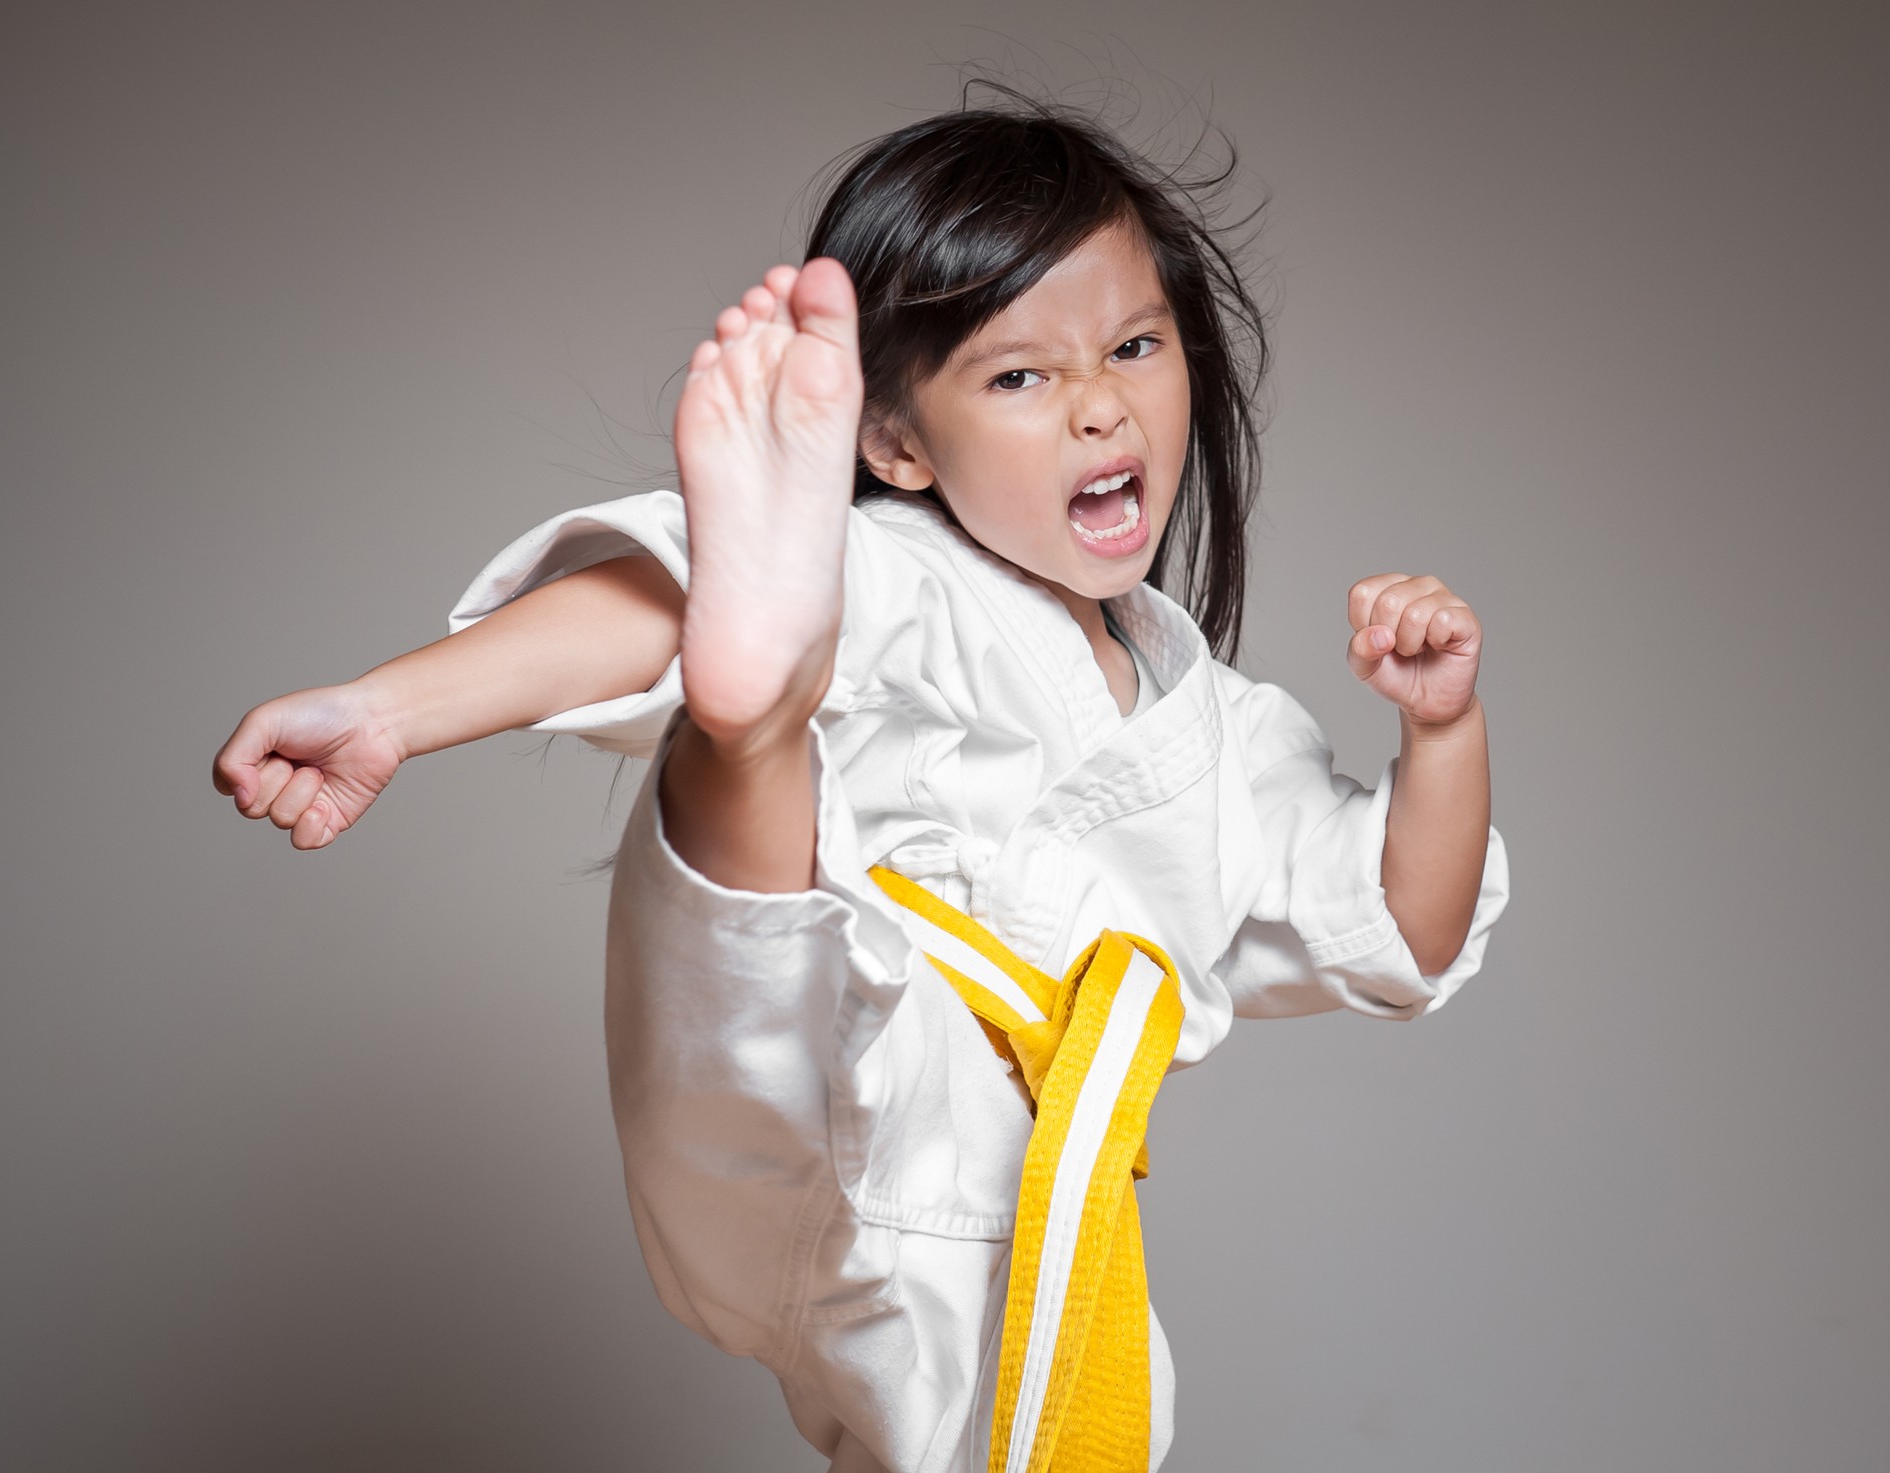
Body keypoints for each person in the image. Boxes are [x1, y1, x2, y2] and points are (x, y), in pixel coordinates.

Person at [213, 96, 1509, 1473]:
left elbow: (1404, 925)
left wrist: (1444, 730)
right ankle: (755, 704)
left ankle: (757, 702)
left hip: (1008, 1213)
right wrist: (389, 707)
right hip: (837, 1074)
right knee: (755, 718)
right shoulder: (912, 574)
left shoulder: (1227, 732)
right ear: (896, 445)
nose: (1099, 402)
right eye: (1019, 377)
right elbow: (642, 609)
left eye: (1135, 345)